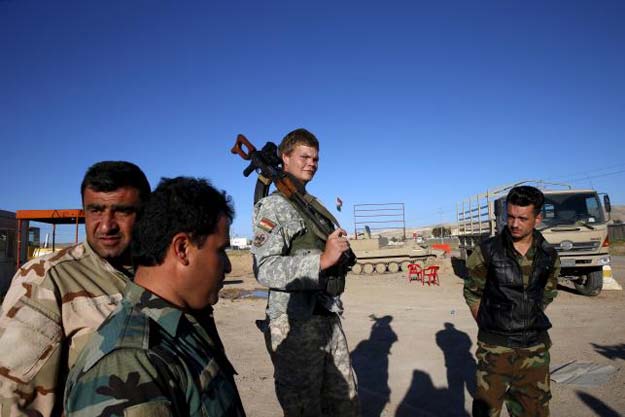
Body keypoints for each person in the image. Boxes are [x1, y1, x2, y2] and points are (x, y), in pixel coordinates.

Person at [64, 176, 246, 417]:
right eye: (221, 250)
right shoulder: (131, 360)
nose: (228, 266)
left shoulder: (180, 327)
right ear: (182, 249)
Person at [0, 161, 150, 417]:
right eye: (95, 210)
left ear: (146, 212)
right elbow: (14, 402)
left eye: (122, 211)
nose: (106, 226)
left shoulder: (160, 273)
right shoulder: (47, 280)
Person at [251, 128, 360, 416]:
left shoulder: (314, 207)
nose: (312, 162)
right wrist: (321, 261)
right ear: (284, 158)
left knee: (346, 400)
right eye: (304, 156)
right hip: (294, 323)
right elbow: (264, 267)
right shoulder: (273, 206)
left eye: (316, 158)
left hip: (327, 315)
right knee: (303, 407)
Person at [463, 185, 561, 417]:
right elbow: (472, 292)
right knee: (486, 410)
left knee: (534, 411)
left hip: (534, 349)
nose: (515, 224)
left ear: (537, 218)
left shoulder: (548, 255)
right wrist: (489, 324)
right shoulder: (487, 251)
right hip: (495, 350)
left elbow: (547, 292)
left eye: (523, 218)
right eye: (511, 217)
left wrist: (527, 315)